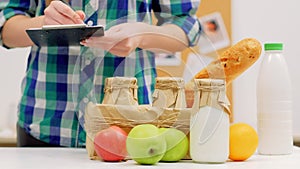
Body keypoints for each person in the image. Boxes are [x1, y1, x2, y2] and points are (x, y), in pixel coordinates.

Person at [0, 0, 202, 147]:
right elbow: (5, 26)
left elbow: (186, 27)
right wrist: (44, 22)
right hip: (44, 124)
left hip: (129, 127)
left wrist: (142, 35)